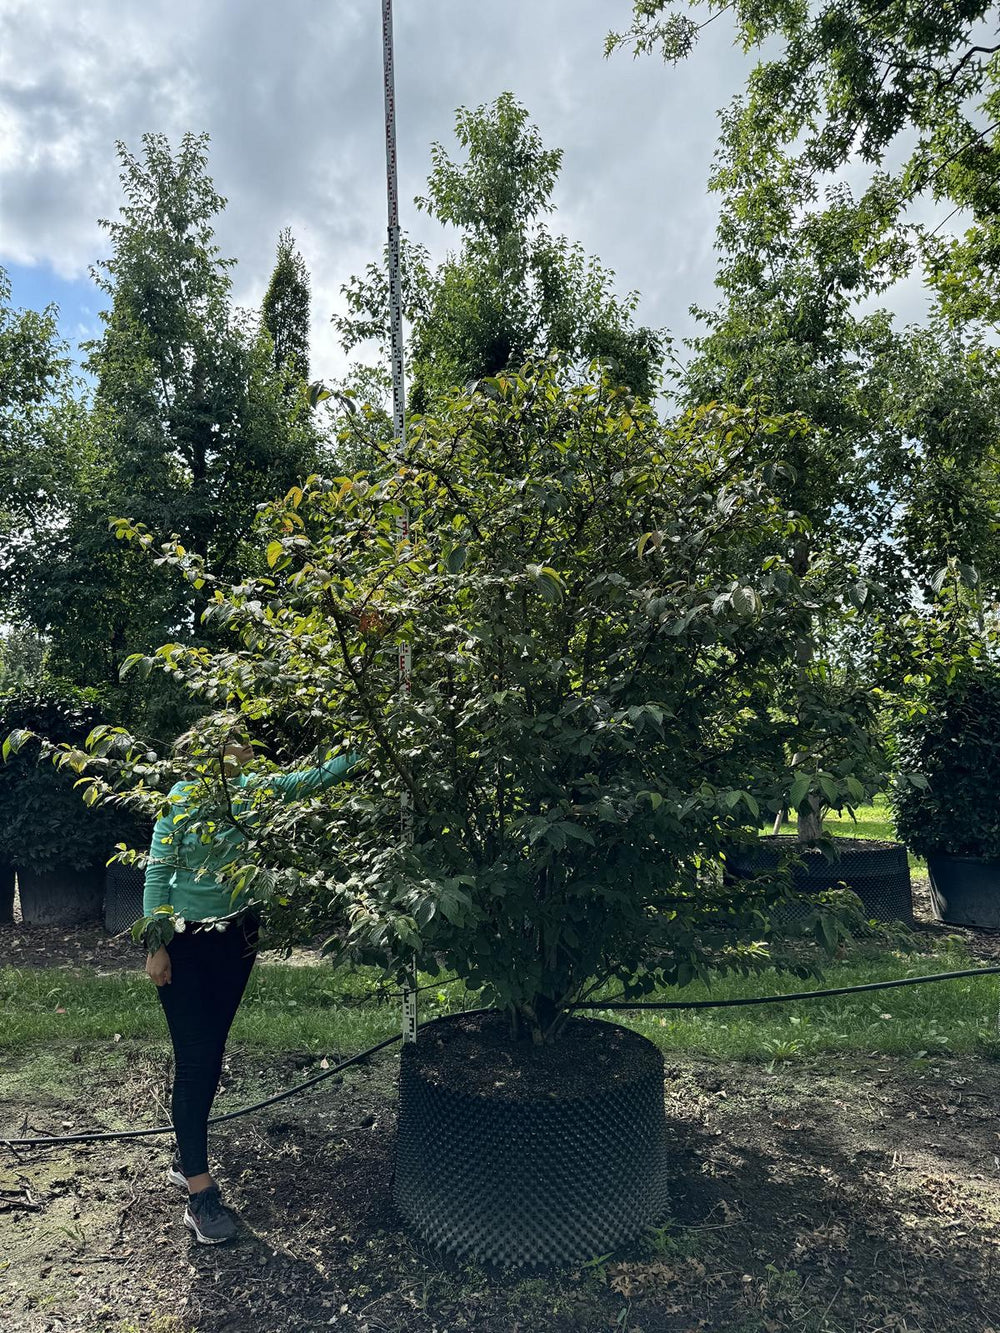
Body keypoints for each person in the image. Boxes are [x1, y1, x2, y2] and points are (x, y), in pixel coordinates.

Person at [142, 733, 358, 1244]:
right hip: (185, 942)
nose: (242, 757)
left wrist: (371, 739)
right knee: (197, 1060)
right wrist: (155, 944)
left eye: (244, 750)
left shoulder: (255, 794)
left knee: (211, 1053)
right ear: (204, 756)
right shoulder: (179, 801)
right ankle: (199, 1193)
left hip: (238, 938)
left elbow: (316, 778)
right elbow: (157, 873)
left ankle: (184, 1155)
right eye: (230, 750)